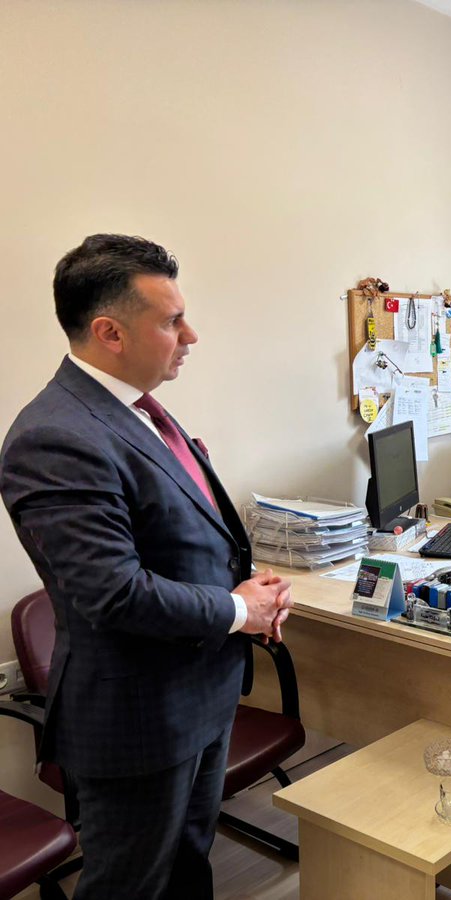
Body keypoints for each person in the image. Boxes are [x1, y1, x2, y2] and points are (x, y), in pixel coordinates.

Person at [0, 234, 294, 898]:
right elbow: (112, 591)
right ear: (110, 332)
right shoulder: (56, 435)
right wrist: (240, 609)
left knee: (188, 865)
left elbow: (181, 538)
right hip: (137, 716)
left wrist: (250, 592)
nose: (191, 335)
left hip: (200, 689)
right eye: (172, 321)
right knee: (130, 885)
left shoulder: (135, 411)